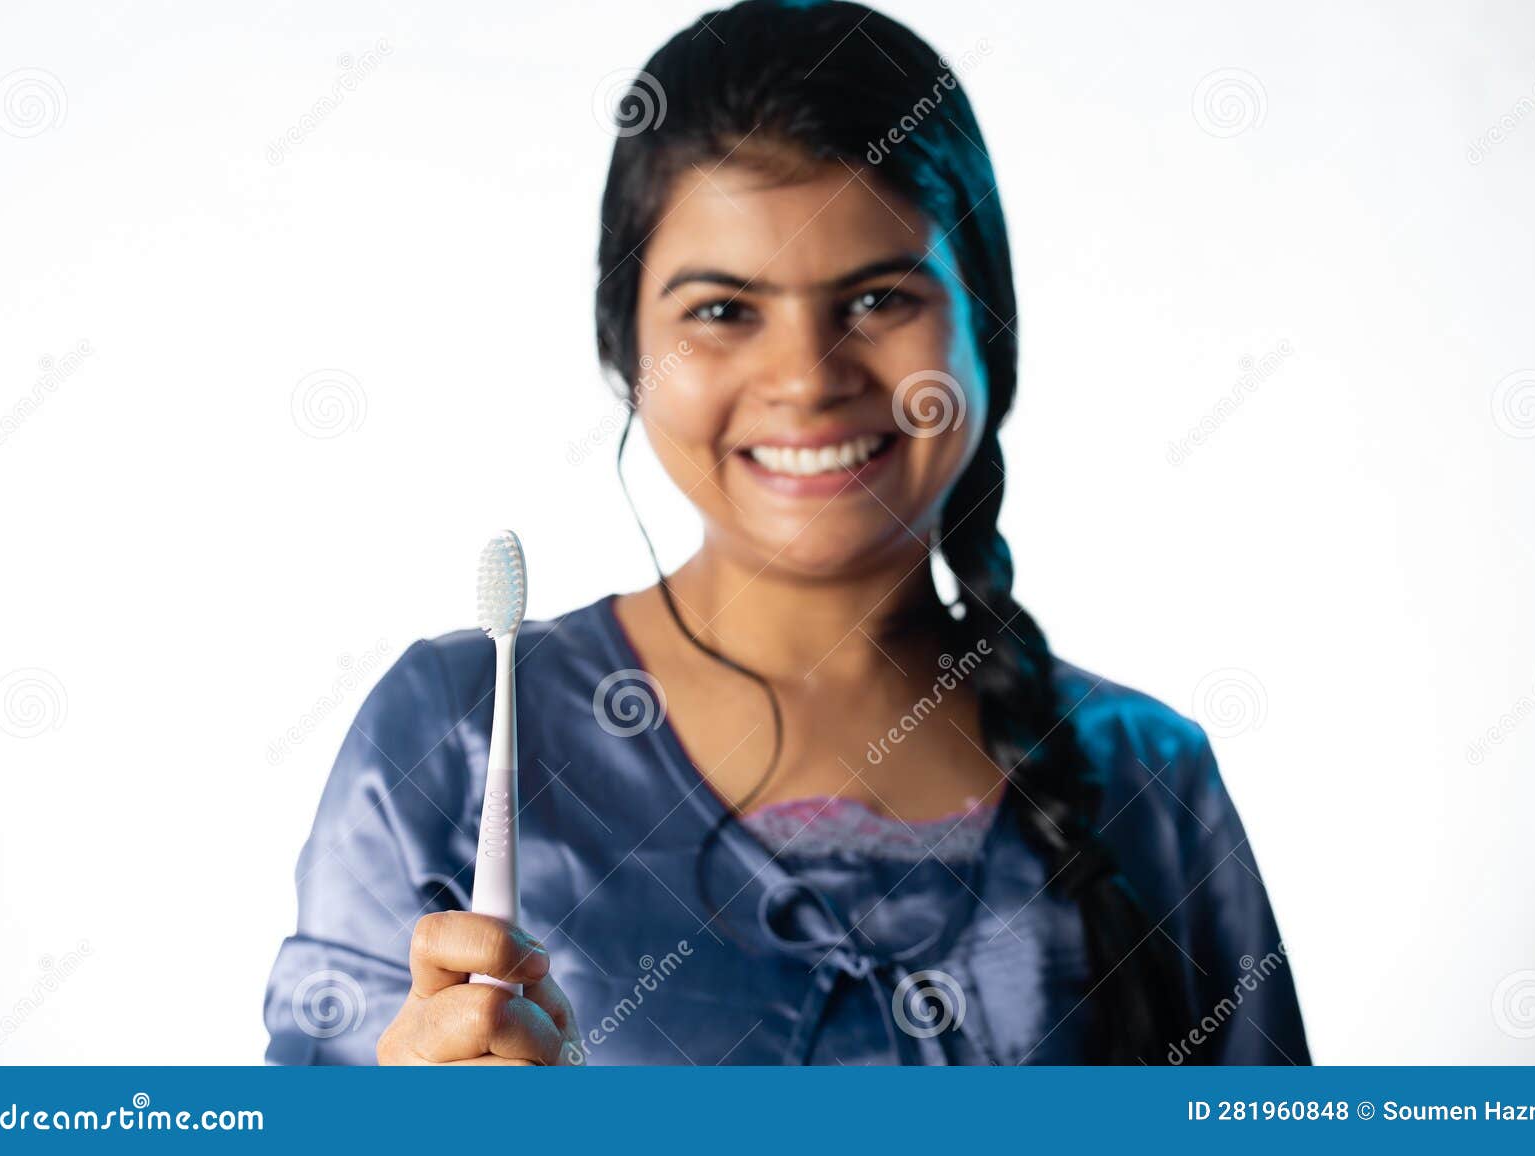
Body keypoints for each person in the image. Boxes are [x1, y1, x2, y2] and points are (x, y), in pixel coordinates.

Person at [263, 0, 1310, 1066]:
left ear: (987, 324)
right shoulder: (459, 735)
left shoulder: (1147, 776)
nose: (808, 380)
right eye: (722, 310)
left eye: (877, 299)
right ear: (624, 350)